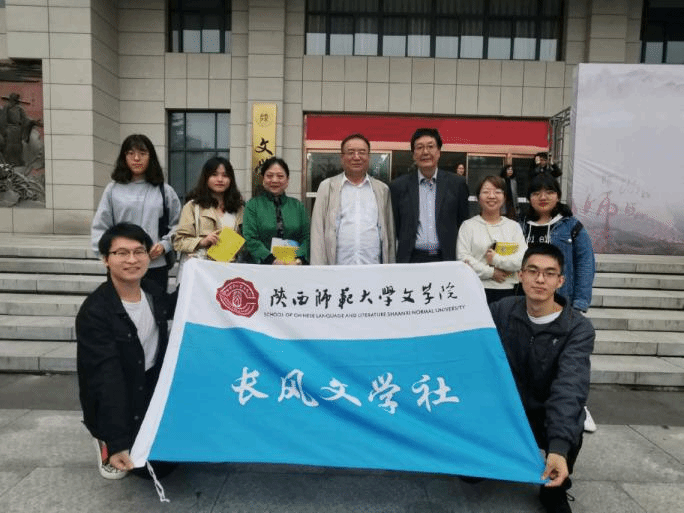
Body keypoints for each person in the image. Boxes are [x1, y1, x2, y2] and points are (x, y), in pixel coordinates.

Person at [490, 244, 594, 513]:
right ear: (521, 275)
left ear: (560, 281)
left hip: (546, 413)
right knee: (469, 477)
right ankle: (491, 461)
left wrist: (558, 448)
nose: (540, 279)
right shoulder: (501, 311)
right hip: (507, 411)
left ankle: (554, 487)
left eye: (549, 273)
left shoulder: (577, 328)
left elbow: (570, 387)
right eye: (533, 271)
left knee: (572, 419)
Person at [77, 223, 177, 480]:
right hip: (121, 391)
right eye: (121, 253)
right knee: (143, 469)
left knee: (169, 464)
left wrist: (209, 268)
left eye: (139, 252)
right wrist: (117, 441)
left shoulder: (152, 291)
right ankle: (103, 439)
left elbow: (178, 304)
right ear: (105, 260)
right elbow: (106, 379)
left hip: (149, 385)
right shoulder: (95, 312)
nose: (132, 260)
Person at [91, 134, 181, 291]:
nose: (137, 158)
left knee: (155, 305)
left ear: (151, 157)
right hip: (122, 265)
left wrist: (165, 245)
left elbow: (179, 225)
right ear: (124, 157)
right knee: (120, 306)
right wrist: (105, 254)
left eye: (142, 153)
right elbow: (101, 226)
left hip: (154, 265)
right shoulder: (112, 189)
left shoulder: (164, 191)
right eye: (130, 153)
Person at [310, 133, 395, 265]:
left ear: (369, 157)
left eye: (362, 152)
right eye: (350, 152)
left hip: (373, 268)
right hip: (338, 268)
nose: (356, 157)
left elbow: (389, 234)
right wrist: (319, 270)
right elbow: (317, 232)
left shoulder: (382, 190)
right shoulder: (327, 187)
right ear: (342, 158)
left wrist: (390, 268)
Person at [390, 128, 469, 263]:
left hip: (446, 259)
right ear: (414, 154)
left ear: (439, 152)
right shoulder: (398, 186)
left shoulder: (457, 184)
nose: (425, 152)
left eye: (430, 147)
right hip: (411, 259)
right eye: (419, 147)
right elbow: (396, 225)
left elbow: (463, 222)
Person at [520, 174, 595, 312]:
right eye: (536, 193)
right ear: (529, 198)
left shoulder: (571, 226)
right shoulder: (519, 226)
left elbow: (585, 264)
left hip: (559, 300)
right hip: (522, 299)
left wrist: (580, 303)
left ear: (558, 196)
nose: (543, 197)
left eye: (549, 192)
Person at [457, 176, 527, 304]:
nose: (491, 196)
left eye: (497, 192)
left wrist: (496, 260)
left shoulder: (513, 227)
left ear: (504, 197)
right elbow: (462, 259)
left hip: (508, 291)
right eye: (486, 192)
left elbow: (523, 259)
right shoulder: (468, 226)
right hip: (475, 288)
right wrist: (491, 273)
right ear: (478, 198)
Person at [173, 156, 245, 269]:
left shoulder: (239, 208)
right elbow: (179, 242)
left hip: (228, 270)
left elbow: (244, 243)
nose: (220, 179)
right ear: (206, 178)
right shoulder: (193, 206)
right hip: (200, 269)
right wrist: (202, 241)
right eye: (214, 175)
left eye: (225, 175)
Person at [242, 157, 310, 265]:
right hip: (262, 266)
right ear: (263, 179)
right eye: (269, 176)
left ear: (287, 180)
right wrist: (271, 259)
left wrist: (299, 259)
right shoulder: (253, 205)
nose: (274, 180)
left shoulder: (298, 206)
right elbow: (250, 238)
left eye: (280, 176)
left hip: (294, 266)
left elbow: (307, 237)